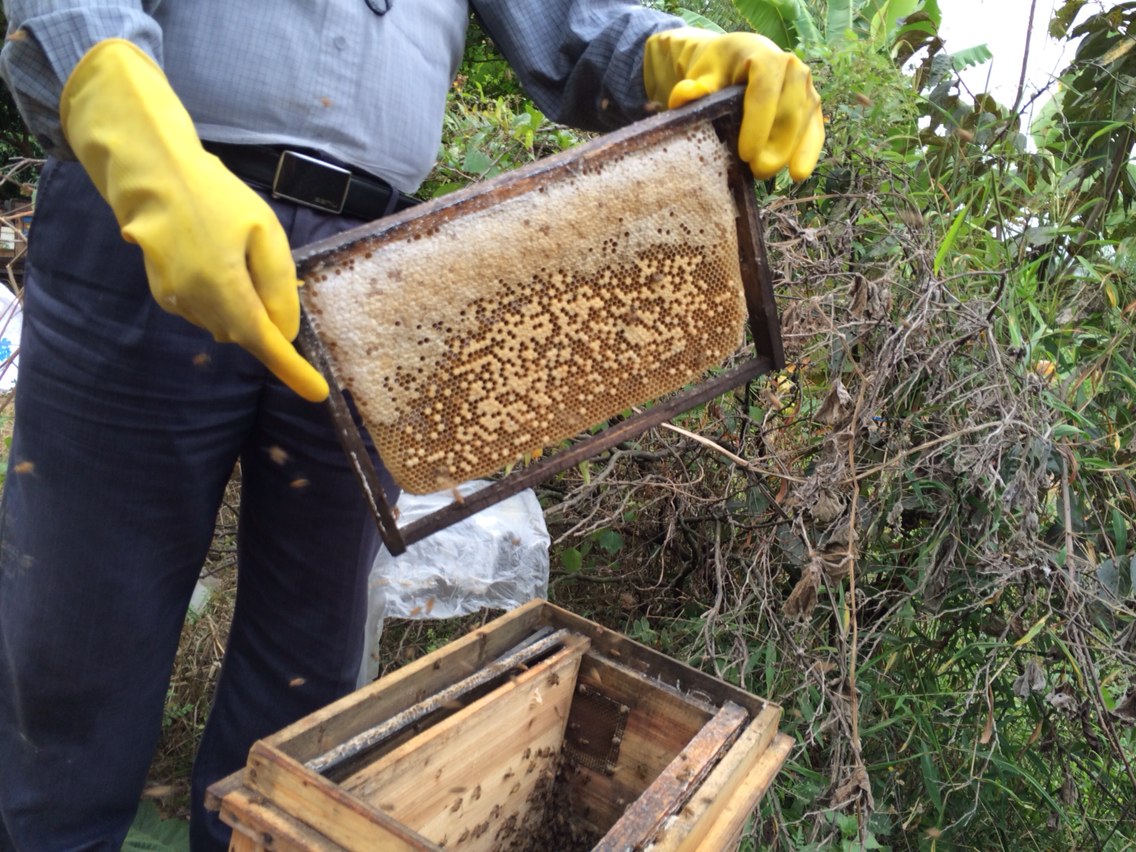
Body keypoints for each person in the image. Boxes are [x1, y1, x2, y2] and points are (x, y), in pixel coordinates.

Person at [0, 2, 822, 848]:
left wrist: (673, 55)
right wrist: (134, 135)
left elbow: (571, 29)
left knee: (307, 663)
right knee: (79, 638)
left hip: (377, 279)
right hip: (146, 213)